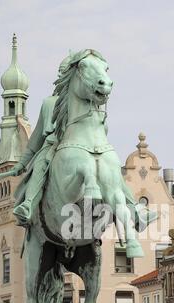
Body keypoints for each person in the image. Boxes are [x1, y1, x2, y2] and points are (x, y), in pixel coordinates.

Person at [12, 54, 157, 231]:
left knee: (113, 173)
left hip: (91, 148)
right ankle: (28, 205)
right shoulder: (49, 103)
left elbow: (103, 131)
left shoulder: (92, 104)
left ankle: (134, 211)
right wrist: (21, 163)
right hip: (55, 147)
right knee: (42, 161)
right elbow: (35, 142)